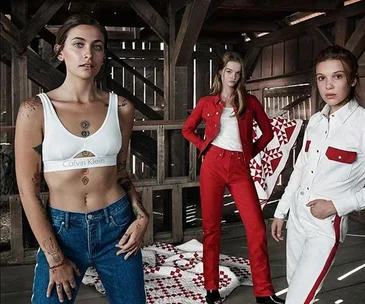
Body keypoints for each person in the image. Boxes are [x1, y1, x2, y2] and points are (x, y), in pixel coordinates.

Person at [15, 14, 148, 304]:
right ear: (60, 51)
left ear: (103, 55)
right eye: (78, 44)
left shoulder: (121, 107)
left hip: (117, 225)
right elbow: (28, 190)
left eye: (97, 46)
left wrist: (141, 216)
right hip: (63, 231)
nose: (88, 53)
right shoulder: (35, 110)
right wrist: (55, 259)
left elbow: (122, 172)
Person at [182, 52, 285, 304]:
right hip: (213, 165)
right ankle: (211, 287)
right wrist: (204, 146)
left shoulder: (249, 102)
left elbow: (268, 133)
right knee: (211, 229)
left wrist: (249, 153)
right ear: (221, 72)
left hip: (239, 166)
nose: (233, 76)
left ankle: (264, 292)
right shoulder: (207, 102)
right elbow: (188, 129)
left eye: (238, 73)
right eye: (229, 71)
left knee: (256, 228)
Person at [271, 45, 365, 304]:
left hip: (325, 225)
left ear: (353, 79)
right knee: (297, 290)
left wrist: (335, 206)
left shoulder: (362, 126)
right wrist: (282, 211)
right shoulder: (315, 121)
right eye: (322, 78)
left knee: (297, 300)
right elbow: (300, 169)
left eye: (338, 76)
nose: (329, 86)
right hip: (297, 219)